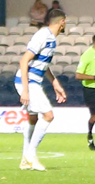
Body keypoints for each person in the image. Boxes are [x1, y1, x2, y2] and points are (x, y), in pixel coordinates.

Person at [15, 9, 67, 171]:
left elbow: (43, 64)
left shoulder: (51, 38)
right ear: (62, 22)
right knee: (48, 115)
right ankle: (31, 156)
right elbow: (24, 61)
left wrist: (54, 83)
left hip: (33, 82)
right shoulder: (42, 36)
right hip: (28, 82)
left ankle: (25, 159)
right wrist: (25, 90)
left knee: (33, 119)